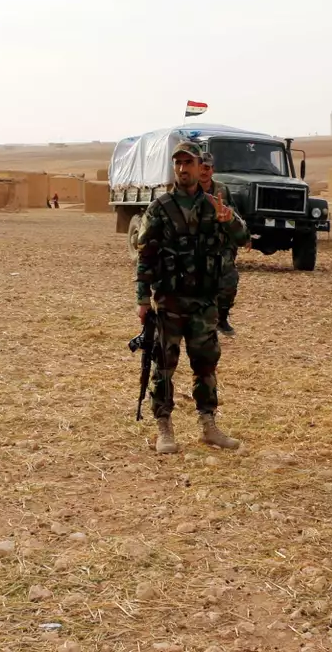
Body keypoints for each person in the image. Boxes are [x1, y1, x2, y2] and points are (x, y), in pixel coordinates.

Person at [134, 140, 250, 454]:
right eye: (178, 164)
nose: (183, 169)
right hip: (170, 300)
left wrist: (229, 220)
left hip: (204, 301)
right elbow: (145, 255)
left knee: (206, 365)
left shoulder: (216, 204)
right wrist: (142, 299)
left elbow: (244, 238)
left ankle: (208, 426)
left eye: (189, 163)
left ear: (201, 168)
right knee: (165, 365)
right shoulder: (160, 207)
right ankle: (165, 428)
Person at [200, 152, 240, 336]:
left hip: (220, 246)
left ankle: (221, 318)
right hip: (195, 246)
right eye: (200, 167)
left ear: (212, 170)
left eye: (207, 167)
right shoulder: (188, 190)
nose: (203, 171)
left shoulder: (222, 190)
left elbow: (234, 216)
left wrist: (242, 235)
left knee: (229, 281)